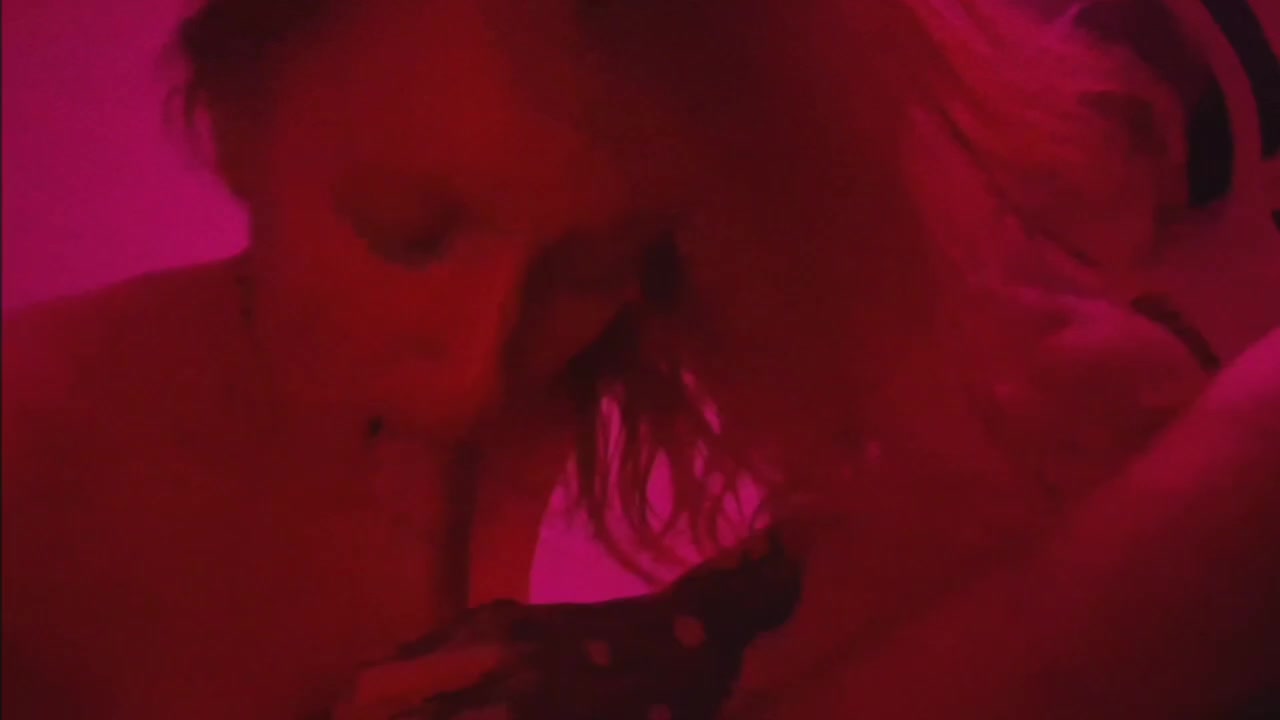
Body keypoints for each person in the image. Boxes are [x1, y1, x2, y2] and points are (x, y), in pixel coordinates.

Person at [0, 2, 676, 717]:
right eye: (404, 227)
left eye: (590, 266)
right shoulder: (30, 434)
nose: (471, 375)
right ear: (233, 125)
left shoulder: (564, 374)